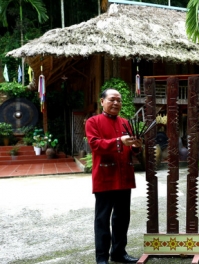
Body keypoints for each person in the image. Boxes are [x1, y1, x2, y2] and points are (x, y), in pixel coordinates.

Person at [85, 88, 142, 264]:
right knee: (102, 220)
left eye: (119, 100)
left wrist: (136, 146)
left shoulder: (126, 122)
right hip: (105, 176)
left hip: (124, 176)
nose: (116, 103)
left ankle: (118, 253)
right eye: (112, 99)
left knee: (122, 218)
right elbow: (95, 145)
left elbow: (133, 150)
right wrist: (119, 141)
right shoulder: (93, 122)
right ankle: (102, 258)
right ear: (102, 101)